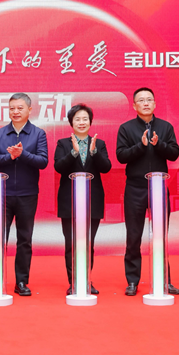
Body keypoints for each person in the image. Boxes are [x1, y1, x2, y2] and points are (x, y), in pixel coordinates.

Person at [116, 87, 179, 296]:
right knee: (133, 236)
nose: (146, 103)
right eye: (141, 100)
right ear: (134, 105)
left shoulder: (165, 127)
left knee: (160, 236)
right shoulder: (126, 128)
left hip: (159, 188)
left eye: (149, 100)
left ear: (155, 104)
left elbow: (174, 153)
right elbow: (121, 156)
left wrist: (158, 144)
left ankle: (164, 280)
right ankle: (132, 281)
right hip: (135, 188)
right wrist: (141, 146)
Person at [0, 93, 48, 296]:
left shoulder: (38, 134)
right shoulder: (0, 133)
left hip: (27, 195)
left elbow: (43, 161)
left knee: (24, 239)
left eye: (20, 108)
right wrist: (9, 157)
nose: (15, 112)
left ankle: (21, 281)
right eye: (12, 108)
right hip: (2, 194)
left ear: (30, 110)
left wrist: (23, 154)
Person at [53, 104, 112, 295]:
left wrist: (94, 152)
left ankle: (86, 280)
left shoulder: (99, 144)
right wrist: (74, 152)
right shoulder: (63, 143)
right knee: (71, 244)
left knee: (87, 244)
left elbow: (106, 167)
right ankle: (74, 282)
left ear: (90, 122)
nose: (81, 122)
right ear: (71, 123)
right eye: (77, 119)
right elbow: (59, 167)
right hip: (69, 201)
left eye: (85, 119)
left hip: (92, 200)